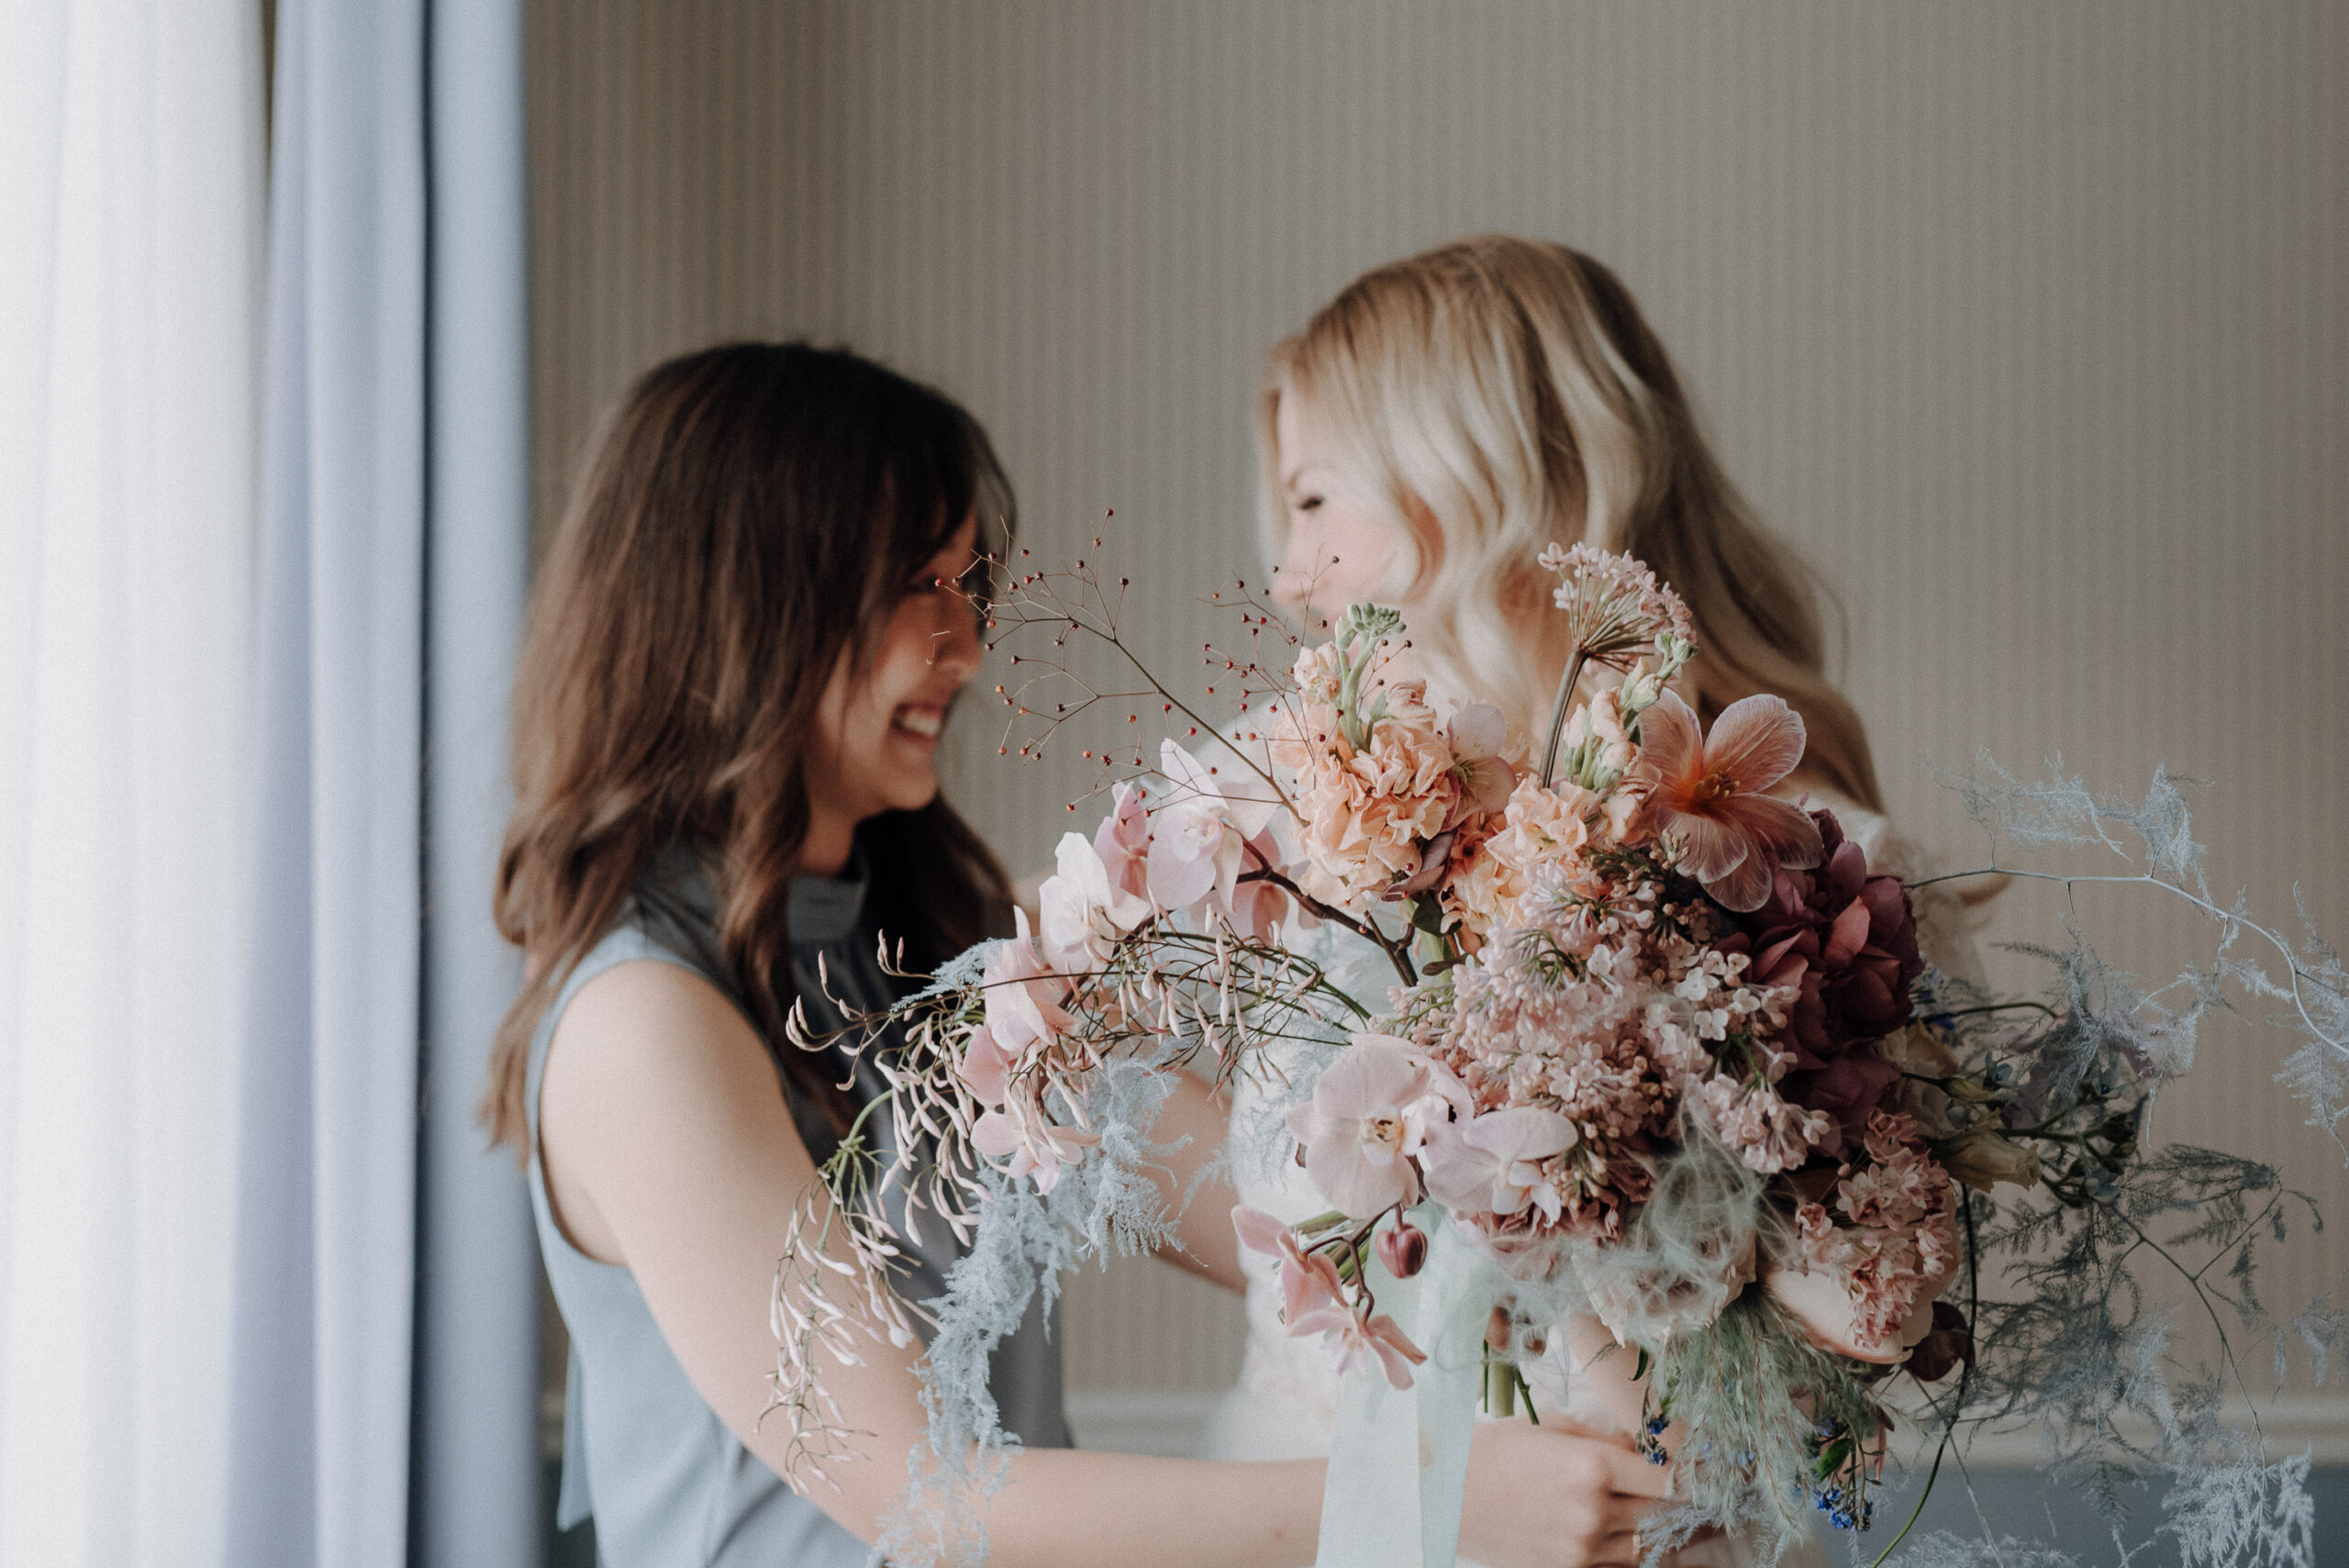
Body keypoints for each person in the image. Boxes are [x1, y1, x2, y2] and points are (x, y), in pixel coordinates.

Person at [486, 340, 1672, 1567]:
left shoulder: (943, 944)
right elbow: (927, 1497)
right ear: (746, 604)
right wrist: (1428, 1497)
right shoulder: (639, 1022)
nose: (964, 646)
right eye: (915, 584)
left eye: (966, 585)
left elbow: (1287, 1218)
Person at [1196, 236, 1987, 1563]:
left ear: (1478, 474)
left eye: (1316, 500)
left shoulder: (1803, 873)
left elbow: (1825, 1354)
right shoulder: (1286, 818)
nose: (1286, 572)